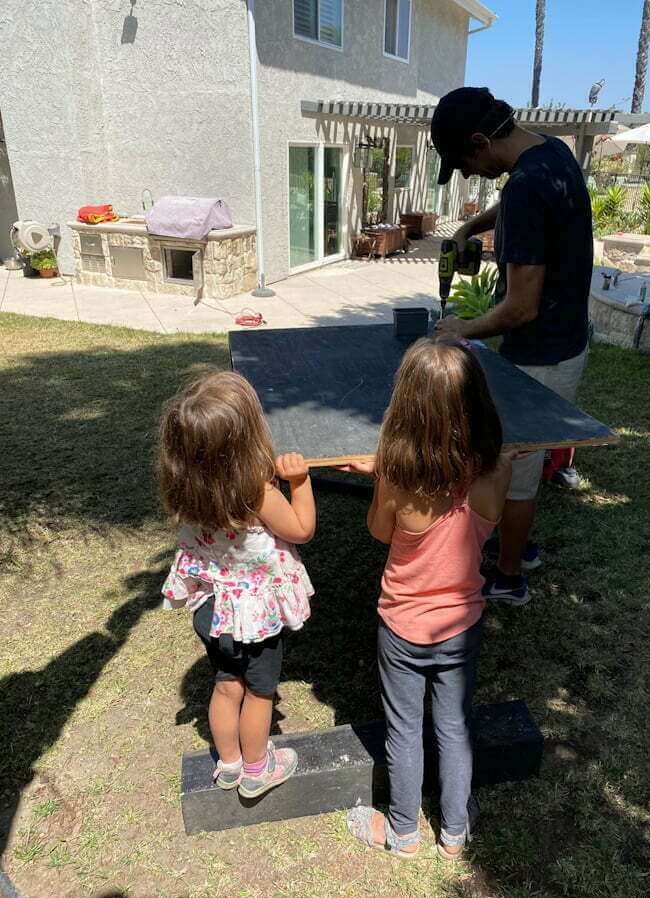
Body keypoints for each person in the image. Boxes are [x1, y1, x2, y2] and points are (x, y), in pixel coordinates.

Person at [344, 337, 512, 859]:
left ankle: (403, 832)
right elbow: (483, 506)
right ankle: (455, 832)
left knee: (404, 731)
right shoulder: (496, 472)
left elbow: (379, 531)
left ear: (406, 409)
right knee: (455, 725)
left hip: (402, 628)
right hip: (462, 625)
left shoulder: (396, 482)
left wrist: (381, 480)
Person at [432, 86, 593, 605]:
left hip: (539, 351)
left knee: (516, 467)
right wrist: (471, 226)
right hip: (566, 342)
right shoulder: (551, 153)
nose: (468, 174)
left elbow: (520, 308)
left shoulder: (526, 188)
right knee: (521, 456)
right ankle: (516, 550)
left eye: (464, 162)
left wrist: (461, 329)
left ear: (481, 140)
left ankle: (508, 576)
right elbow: (516, 201)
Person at [158, 371, 316, 798]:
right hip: (254, 618)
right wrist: (299, 484)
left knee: (227, 685)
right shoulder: (257, 494)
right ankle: (256, 768)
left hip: (211, 611)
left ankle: (227, 764)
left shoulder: (187, 490)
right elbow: (302, 529)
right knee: (260, 693)